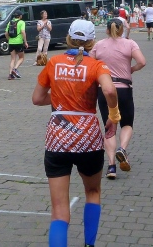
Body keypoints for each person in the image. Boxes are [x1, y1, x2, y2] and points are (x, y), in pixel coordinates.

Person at [32, 19, 119, 247]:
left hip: (57, 138)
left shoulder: (54, 63)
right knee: (93, 191)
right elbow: (109, 90)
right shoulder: (97, 65)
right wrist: (113, 116)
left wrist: (60, 99)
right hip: (88, 138)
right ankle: (89, 244)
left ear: (69, 38)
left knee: (59, 209)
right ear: (92, 42)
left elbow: (37, 98)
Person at [91, 19, 146, 180]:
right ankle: (122, 148)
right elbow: (142, 62)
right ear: (122, 30)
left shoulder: (99, 45)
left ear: (107, 30)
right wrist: (131, 69)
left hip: (104, 89)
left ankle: (111, 166)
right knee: (127, 124)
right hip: (124, 89)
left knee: (110, 128)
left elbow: (90, 65)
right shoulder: (130, 44)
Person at [5, 10, 28, 79]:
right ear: (20, 16)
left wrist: (9, 39)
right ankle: (15, 69)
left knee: (13, 59)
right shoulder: (21, 22)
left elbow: (6, 33)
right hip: (18, 42)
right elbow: (23, 32)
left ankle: (10, 75)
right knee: (21, 57)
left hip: (11, 42)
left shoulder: (10, 22)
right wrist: (25, 42)